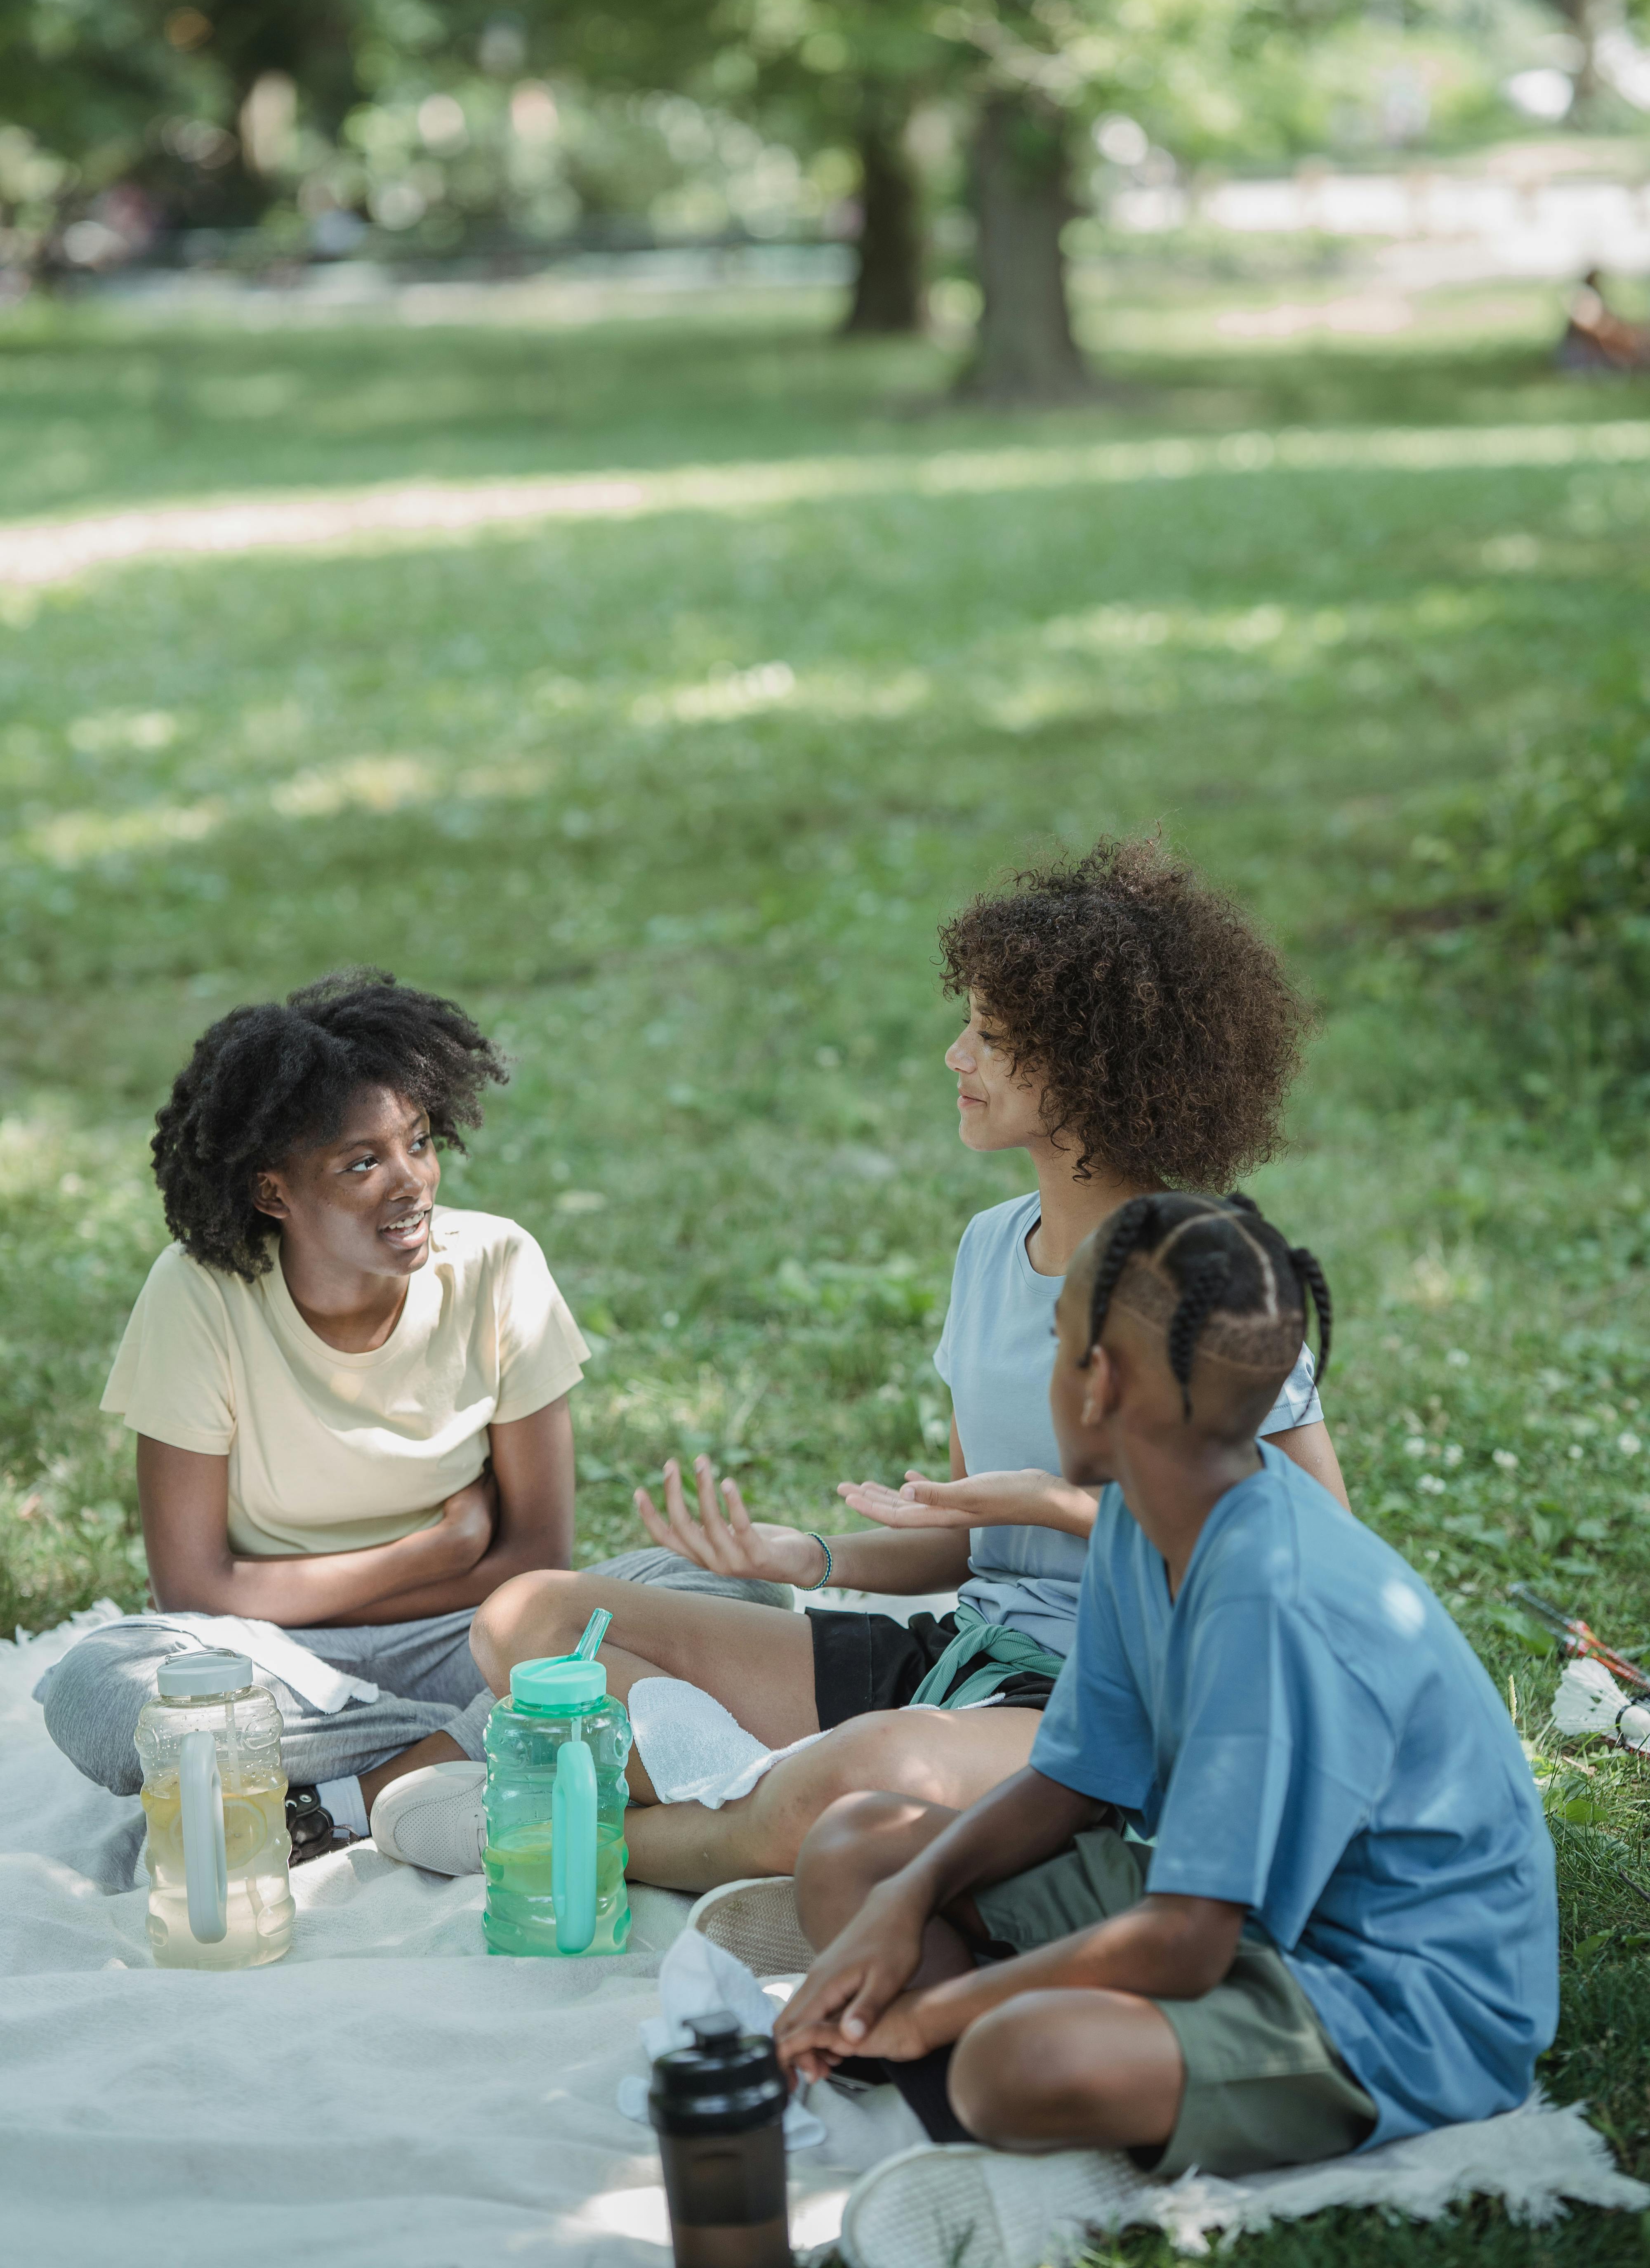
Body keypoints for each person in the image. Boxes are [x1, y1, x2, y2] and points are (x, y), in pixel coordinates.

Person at [412, 841, 1348, 1890]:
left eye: (989, 1039)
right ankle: (757, 1802)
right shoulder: (992, 1244)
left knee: (853, 1779)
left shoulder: (1204, 1274)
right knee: (528, 1620)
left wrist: (1059, 1505)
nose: (955, 1056)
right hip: (963, 1660)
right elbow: (966, 1545)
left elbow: (1316, 1558)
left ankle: (585, 1841)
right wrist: (799, 1558)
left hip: (1122, 1695)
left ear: (1094, 1073)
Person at [774, 1193, 1558, 2176]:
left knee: (1020, 2062)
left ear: (1095, 1382)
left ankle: (969, 2068)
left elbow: (1186, 1941)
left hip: (1388, 1990)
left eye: (1052, 1342)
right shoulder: (1142, 1524)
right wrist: (909, 1897)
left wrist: (930, 2012)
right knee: (854, 1850)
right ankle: (1005, 2052)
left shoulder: (1270, 1596)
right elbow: (1074, 1779)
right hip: (1241, 1910)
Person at [37, 969, 775, 1851]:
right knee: (99, 1687)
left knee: (732, 1594)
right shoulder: (198, 1295)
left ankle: (353, 1795)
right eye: (362, 1163)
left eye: (419, 1143)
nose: (411, 1181)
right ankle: (493, 1742)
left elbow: (538, 1560)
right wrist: (439, 1549)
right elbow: (193, 1588)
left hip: (472, 1636)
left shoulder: (497, 1263)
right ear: (274, 1193)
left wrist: (474, 1599)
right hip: (277, 1657)